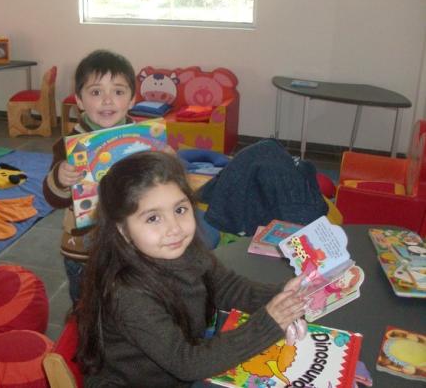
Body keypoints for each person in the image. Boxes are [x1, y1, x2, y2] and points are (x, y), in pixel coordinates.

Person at [76, 151, 307, 387]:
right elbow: (188, 363)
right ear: (123, 230)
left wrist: (282, 294)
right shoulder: (127, 295)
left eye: (180, 210)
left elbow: (228, 287)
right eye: (153, 218)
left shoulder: (186, 250)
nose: (174, 228)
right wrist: (268, 324)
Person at [42, 49, 137, 303]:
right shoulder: (69, 145)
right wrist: (61, 178)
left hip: (132, 246)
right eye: (96, 92)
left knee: (128, 303)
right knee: (86, 306)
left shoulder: (142, 140)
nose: (107, 100)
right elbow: (53, 198)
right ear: (80, 101)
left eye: (118, 92)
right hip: (84, 251)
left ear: (132, 100)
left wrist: (166, 163)